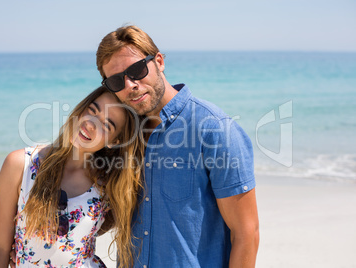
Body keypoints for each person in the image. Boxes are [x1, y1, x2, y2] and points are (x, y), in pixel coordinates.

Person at [96, 25, 260, 267]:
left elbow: (247, 233)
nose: (130, 85)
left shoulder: (214, 129)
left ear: (159, 61)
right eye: (117, 81)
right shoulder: (121, 135)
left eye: (137, 69)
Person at [0, 86, 144, 268]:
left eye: (106, 125)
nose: (90, 124)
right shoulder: (21, 165)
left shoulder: (109, 184)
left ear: (114, 141)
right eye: (92, 110)